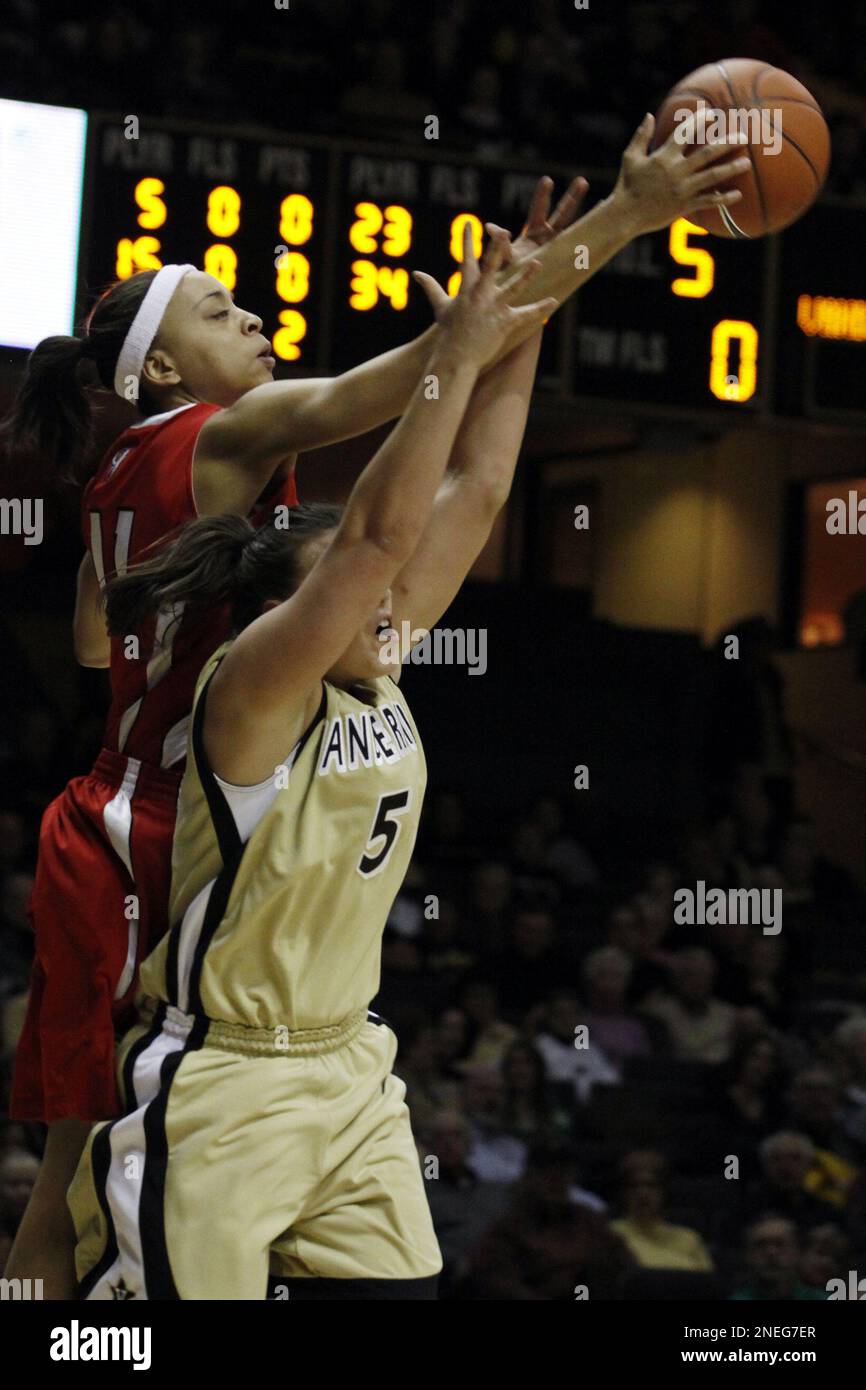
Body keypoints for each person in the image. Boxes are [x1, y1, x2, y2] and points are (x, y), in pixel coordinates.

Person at [68, 227, 557, 1299]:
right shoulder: (248, 693)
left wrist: (521, 326)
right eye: (356, 594)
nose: (392, 607)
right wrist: (452, 355)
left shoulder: (374, 657)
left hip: (349, 1067)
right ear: (293, 612)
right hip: (223, 1080)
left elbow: (474, 486)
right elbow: (378, 535)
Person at [610, 1150, 714, 1273]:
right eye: (634, 1186)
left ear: (664, 1192)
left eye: (651, 1186)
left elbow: (707, 1284)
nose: (643, 1194)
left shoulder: (689, 1238)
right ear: (624, 1194)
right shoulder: (611, 1235)